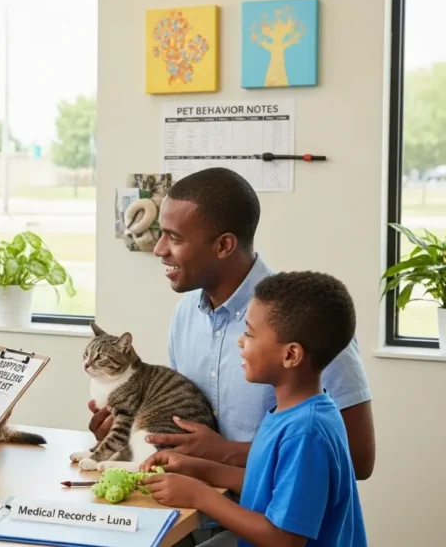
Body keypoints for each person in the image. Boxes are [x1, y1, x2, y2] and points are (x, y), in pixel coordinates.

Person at [87, 167, 374, 545]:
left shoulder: (301, 323)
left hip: (253, 526)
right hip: (191, 516)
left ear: (223, 245)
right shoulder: (186, 315)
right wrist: (128, 430)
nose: (158, 250)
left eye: (173, 238)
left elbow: (356, 459)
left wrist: (224, 455)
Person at [139, 271, 367, 547]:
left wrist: (199, 495)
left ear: (291, 355)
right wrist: (199, 469)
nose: (240, 341)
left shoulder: (306, 432)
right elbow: (268, 486)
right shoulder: (291, 412)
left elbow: (285, 539)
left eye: (249, 333)